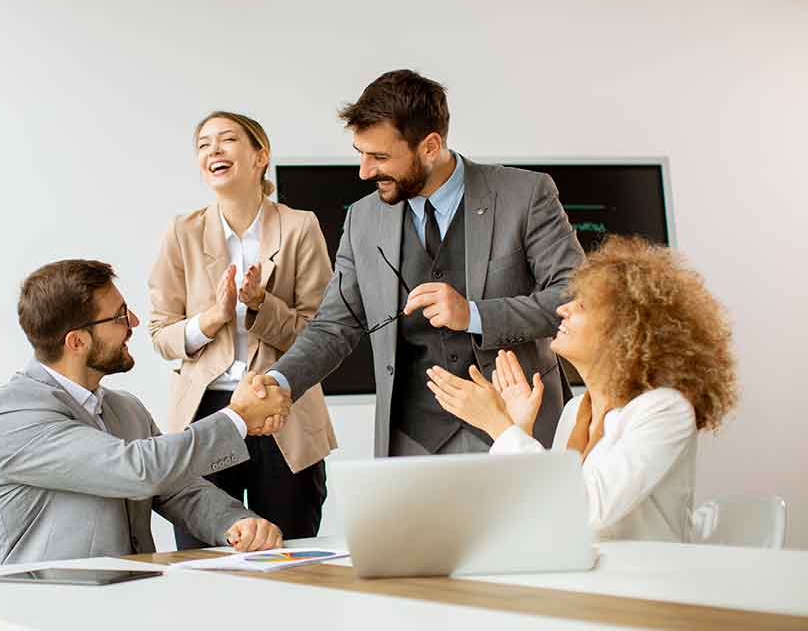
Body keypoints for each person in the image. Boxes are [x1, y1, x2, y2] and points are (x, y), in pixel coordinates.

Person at [255, 70, 586, 457]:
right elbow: (334, 325)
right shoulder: (363, 219)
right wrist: (278, 382)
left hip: (518, 426)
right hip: (411, 439)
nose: (364, 171)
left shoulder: (525, 195)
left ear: (430, 146)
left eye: (380, 157)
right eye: (361, 153)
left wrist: (473, 314)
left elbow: (574, 298)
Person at [427, 236, 739, 541]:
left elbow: (588, 509)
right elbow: (539, 514)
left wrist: (500, 426)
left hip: (646, 575)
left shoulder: (665, 409)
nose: (563, 309)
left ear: (625, 329)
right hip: (582, 570)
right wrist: (519, 427)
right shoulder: (576, 411)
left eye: (583, 305)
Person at [0, 259, 288, 564]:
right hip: (51, 595)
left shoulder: (126, 409)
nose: (134, 322)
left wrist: (236, 522)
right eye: (120, 316)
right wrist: (238, 417)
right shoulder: (11, 417)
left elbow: (177, 488)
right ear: (77, 342)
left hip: (138, 588)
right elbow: (139, 469)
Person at [149, 111, 337, 550]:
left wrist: (260, 305)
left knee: (289, 555)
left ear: (260, 156)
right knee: (202, 557)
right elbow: (161, 334)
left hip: (283, 410)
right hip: (206, 415)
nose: (213, 150)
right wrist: (212, 318)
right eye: (203, 144)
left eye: (227, 139)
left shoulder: (300, 226)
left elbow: (321, 334)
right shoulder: (182, 232)